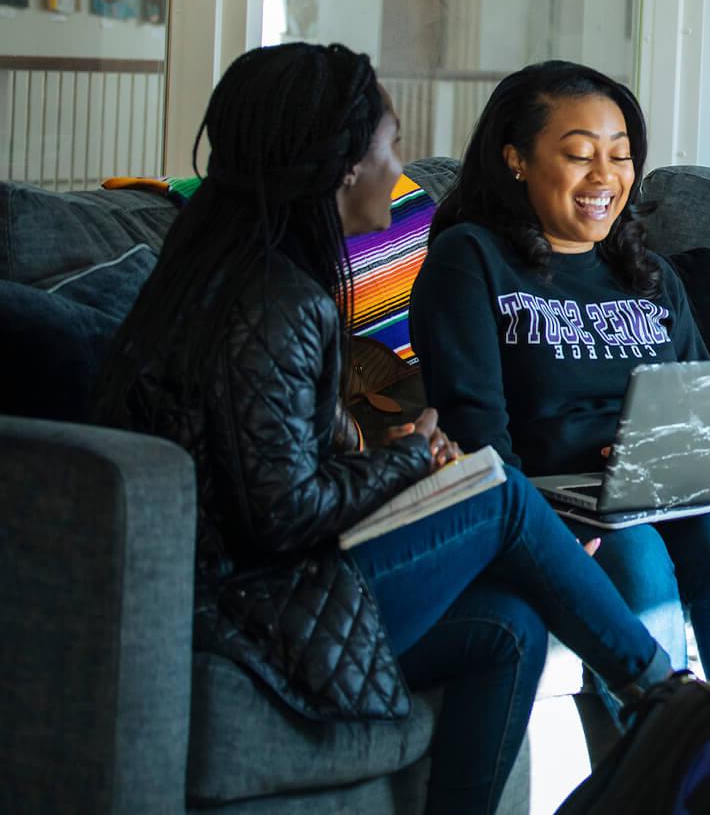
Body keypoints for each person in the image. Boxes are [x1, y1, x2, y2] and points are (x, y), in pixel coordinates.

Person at [92, 43, 676, 815]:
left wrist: (395, 454)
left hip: (261, 584)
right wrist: (404, 465)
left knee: (509, 625)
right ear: (339, 165)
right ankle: (664, 702)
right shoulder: (274, 303)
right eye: (388, 146)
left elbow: (271, 467)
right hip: (254, 605)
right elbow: (282, 513)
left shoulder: (236, 275)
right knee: (496, 496)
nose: (401, 172)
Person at [411, 61, 710, 703]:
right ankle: (663, 767)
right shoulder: (470, 259)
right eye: (580, 155)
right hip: (551, 495)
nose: (605, 178)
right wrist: (531, 536)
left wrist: (683, 453)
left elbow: (700, 406)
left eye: (620, 157)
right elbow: (473, 427)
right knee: (637, 553)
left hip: (659, 488)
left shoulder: (651, 276)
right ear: (515, 160)